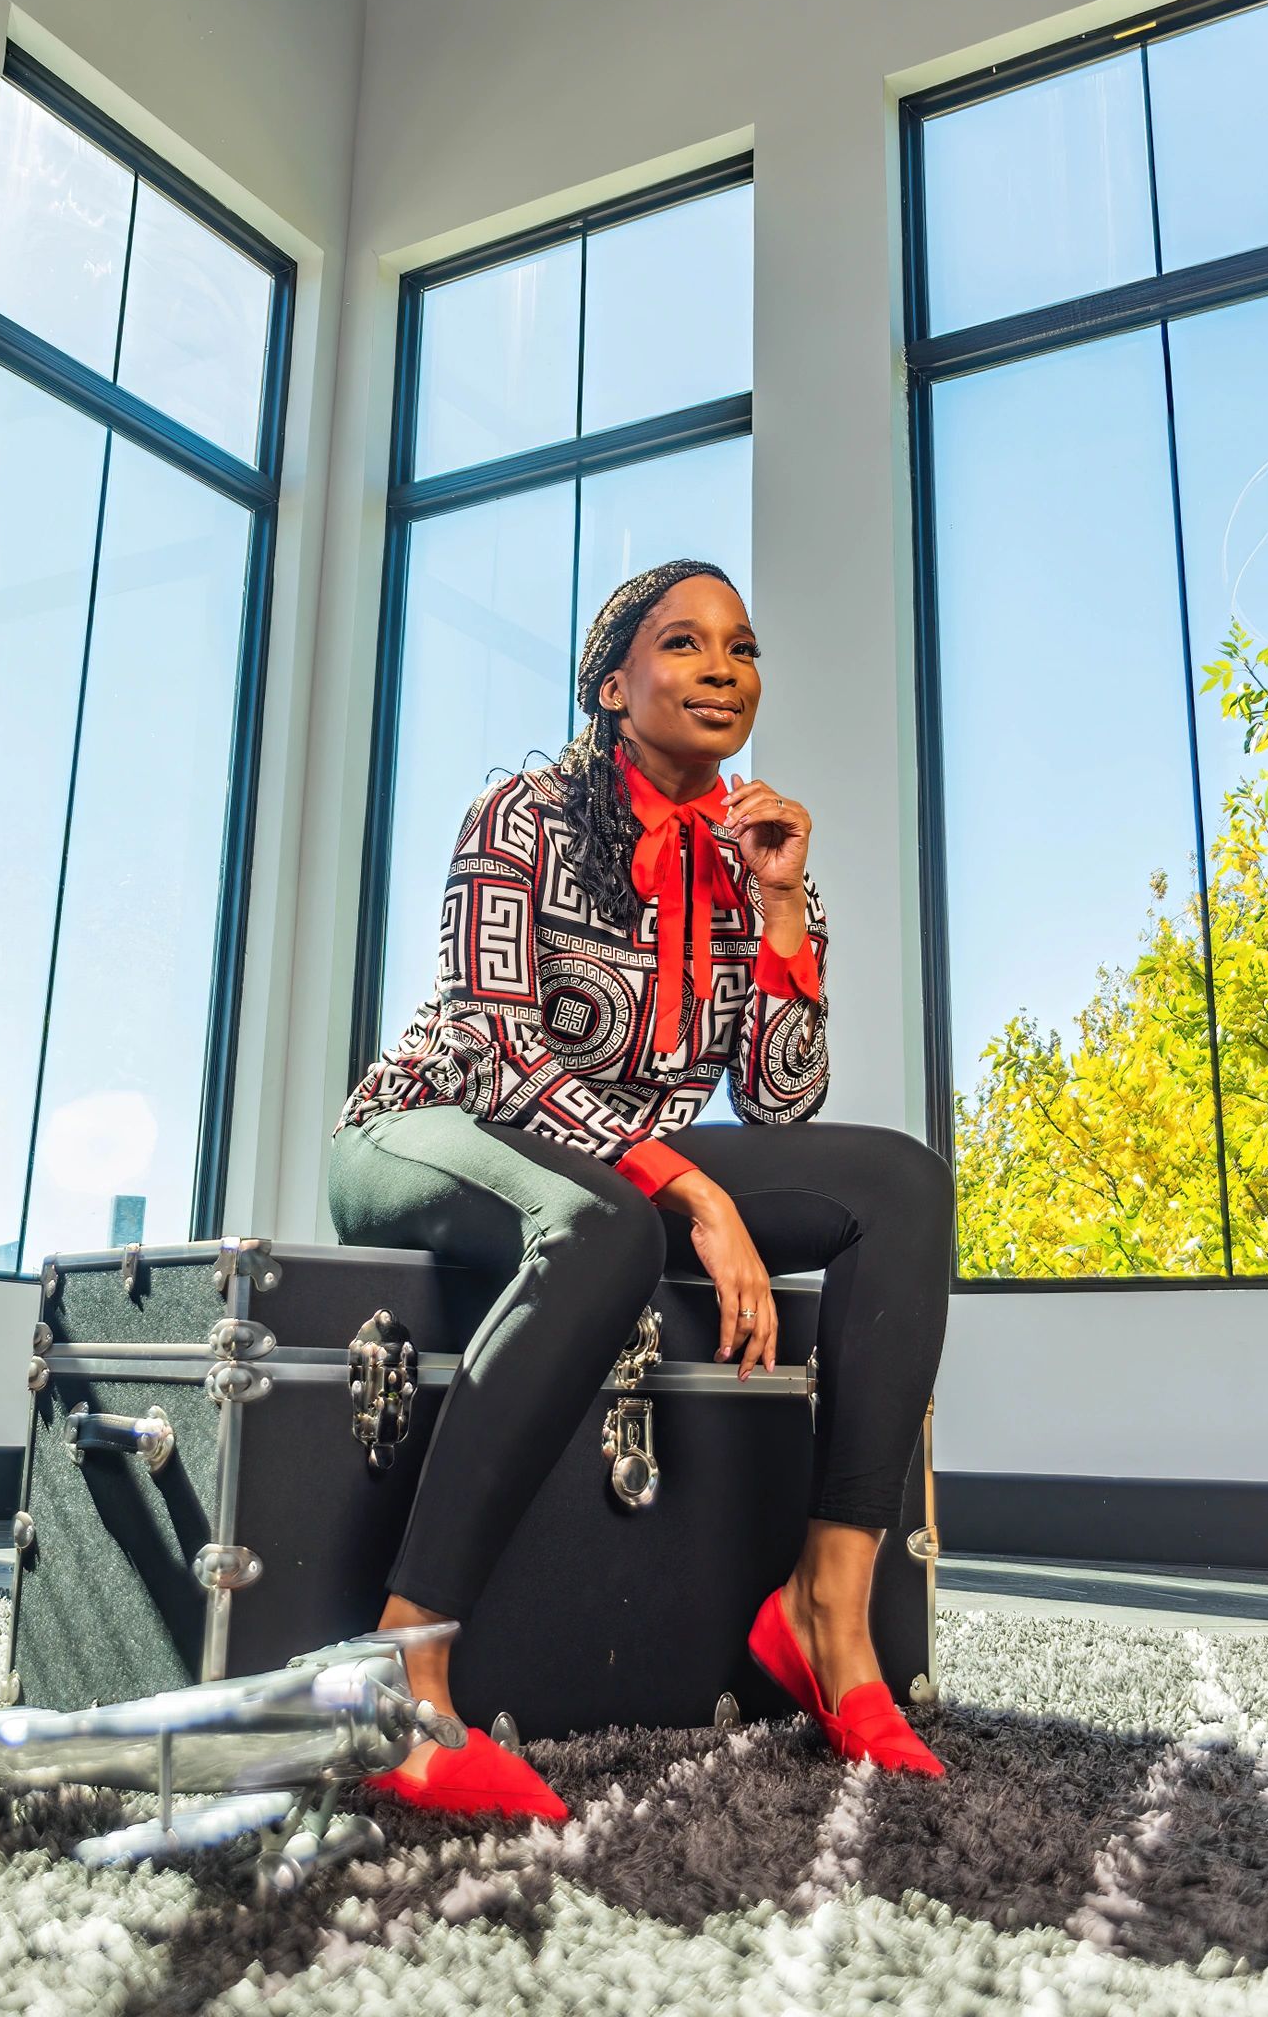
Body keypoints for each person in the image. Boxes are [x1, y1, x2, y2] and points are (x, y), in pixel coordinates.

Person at [328, 556, 955, 1819]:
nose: (721, 667)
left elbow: (782, 1101)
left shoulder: (752, 847)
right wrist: (694, 1195)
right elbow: (502, 1047)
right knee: (607, 1223)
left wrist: (779, 909)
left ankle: (824, 1610)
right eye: (682, 644)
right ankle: (401, 1675)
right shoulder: (521, 811)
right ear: (612, 683)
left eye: (740, 645)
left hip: (607, 1158)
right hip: (435, 1125)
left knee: (899, 1183)